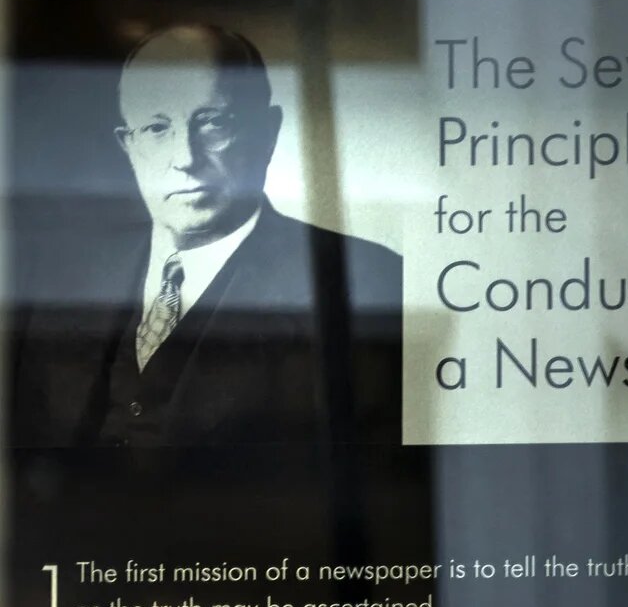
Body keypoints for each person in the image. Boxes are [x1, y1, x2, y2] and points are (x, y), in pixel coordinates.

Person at [10, 23, 403, 448]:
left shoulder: (357, 275)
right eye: (158, 129)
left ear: (267, 134)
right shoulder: (61, 274)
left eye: (213, 123)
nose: (185, 159)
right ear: (129, 145)